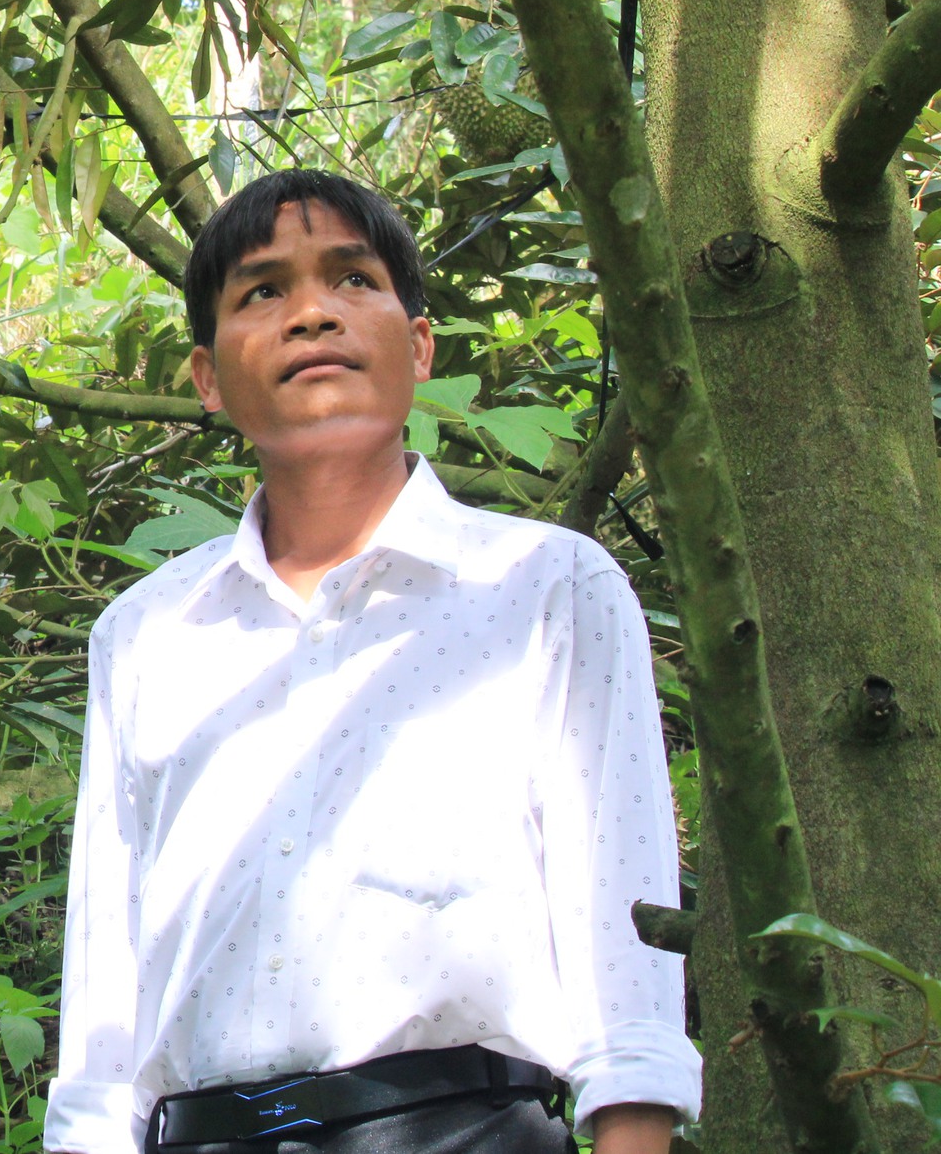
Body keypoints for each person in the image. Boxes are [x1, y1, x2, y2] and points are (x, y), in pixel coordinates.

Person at [44, 170, 698, 1154]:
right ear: (208, 379)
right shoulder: (144, 634)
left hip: (466, 1129)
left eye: (352, 279)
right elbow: (104, 995)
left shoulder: (546, 589)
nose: (310, 313)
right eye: (261, 292)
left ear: (419, 346)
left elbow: (627, 951)